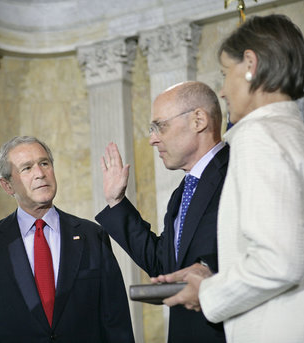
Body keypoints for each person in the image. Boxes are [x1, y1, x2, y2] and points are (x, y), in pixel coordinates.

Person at [159, 14, 304, 342]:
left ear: (250, 64)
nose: (223, 90)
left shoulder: (260, 137)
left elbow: (280, 261)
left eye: (224, 73)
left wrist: (208, 291)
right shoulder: (302, 137)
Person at [0, 136, 134, 343]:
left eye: (44, 163)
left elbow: (116, 322)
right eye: (27, 168)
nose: (40, 174)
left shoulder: (92, 236)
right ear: (7, 185)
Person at [96, 81, 228, 342]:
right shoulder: (184, 191)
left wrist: (209, 271)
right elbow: (163, 265)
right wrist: (117, 202)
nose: (152, 139)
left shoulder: (237, 169)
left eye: (160, 127)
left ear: (198, 120)